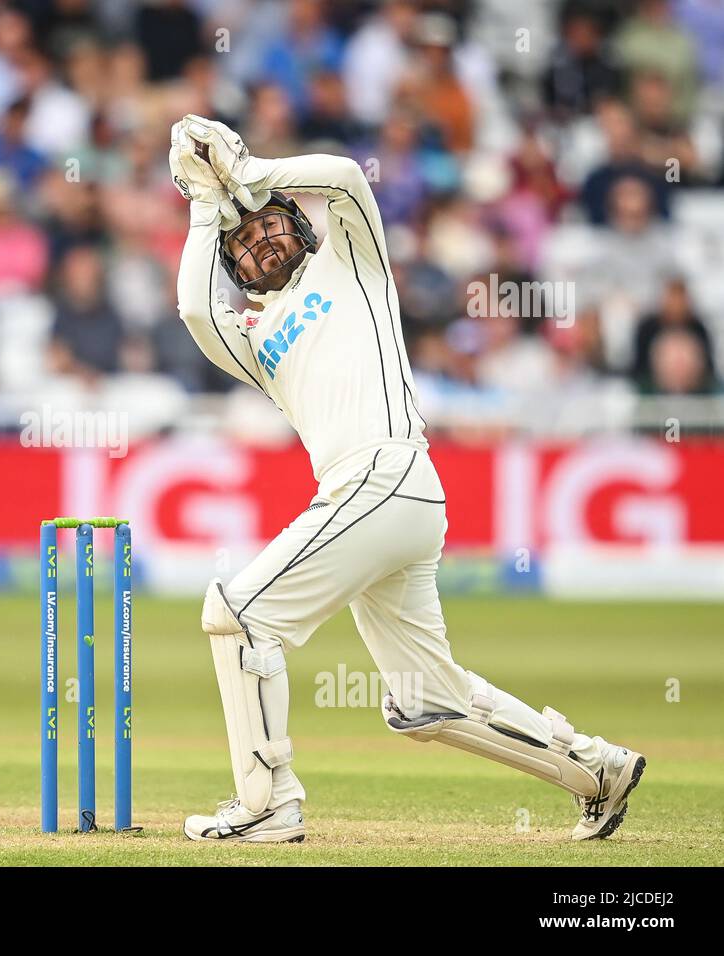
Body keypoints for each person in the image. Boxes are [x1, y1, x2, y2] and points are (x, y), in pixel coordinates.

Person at [169, 115, 645, 843]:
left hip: (387, 476)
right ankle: (596, 770)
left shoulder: (352, 263)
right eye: (244, 244)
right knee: (427, 702)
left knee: (238, 614)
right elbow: (196, 309)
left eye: (269, 226)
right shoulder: (258, 344)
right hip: (375, 501)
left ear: (299, 224)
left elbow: (347, 177)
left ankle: (268, 803)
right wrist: (210, 209)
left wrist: (250, 173)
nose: (259, 240)